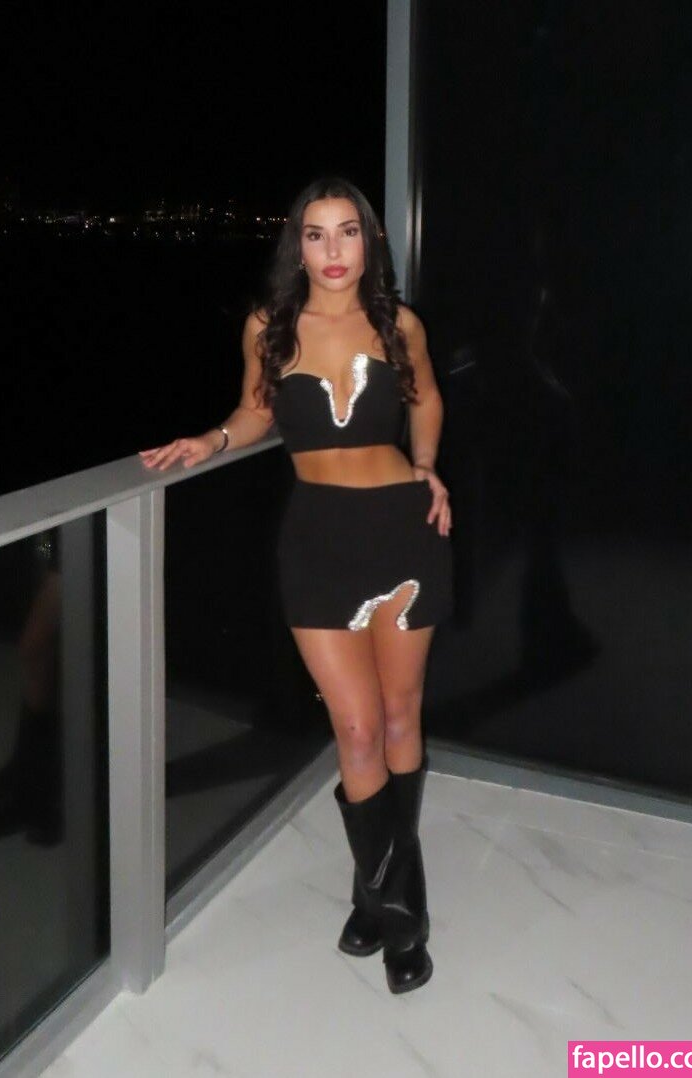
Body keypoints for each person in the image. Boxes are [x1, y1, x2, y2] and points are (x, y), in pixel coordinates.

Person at [140, 177, 453, 994]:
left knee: (399, 717)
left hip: (404, 534)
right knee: (355, 729)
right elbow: (257, 412)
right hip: (317, 544)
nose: (334, 250)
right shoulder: (269, 326)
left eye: (348, 232)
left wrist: (427, 466)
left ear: (370, 243)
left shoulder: (399, 324)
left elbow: (425, 398)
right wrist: (211, 439)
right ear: (298, 247)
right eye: (317, 235)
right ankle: (396, 901)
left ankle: (387, 906)